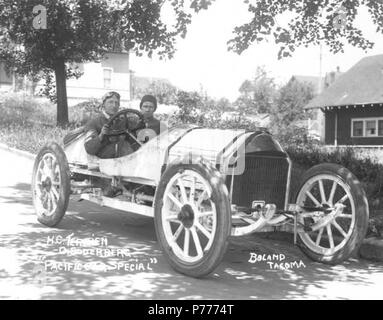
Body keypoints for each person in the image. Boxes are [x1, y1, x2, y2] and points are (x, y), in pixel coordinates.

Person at [84, 91, 135, 159]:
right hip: (103, 160)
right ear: (103, 105)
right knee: (124, 146)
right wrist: (101, 135)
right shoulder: (93, 123)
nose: (114, 105)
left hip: (122, 156)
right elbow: (89, 149)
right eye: (110, 102)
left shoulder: (123, 121)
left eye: (116, 103)